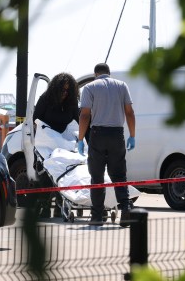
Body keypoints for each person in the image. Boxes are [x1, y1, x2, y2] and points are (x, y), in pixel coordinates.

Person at [77, 63, 136, 227]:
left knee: (97, 177)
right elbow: (130, 113)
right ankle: (126, 209)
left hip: (98, 135)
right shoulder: (122, 86)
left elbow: (84, 115)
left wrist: (81, 138)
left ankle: (97, 217)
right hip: (117, 134)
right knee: (119, 175)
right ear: (109, 73)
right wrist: (132, 135)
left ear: (96, 74)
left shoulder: (90, 88)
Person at [32, 72, 80, 218]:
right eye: (63, 90)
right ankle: (45, 206)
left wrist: (83, 140)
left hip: (62, 143)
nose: (65, 93)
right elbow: (35, 121)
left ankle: (60, 205)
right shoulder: (45, 99)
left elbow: (79, 121)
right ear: (55, 89)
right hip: (45, 142)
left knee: (63, 173)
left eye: (68, 90)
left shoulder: (71, 103)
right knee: (45, 175)